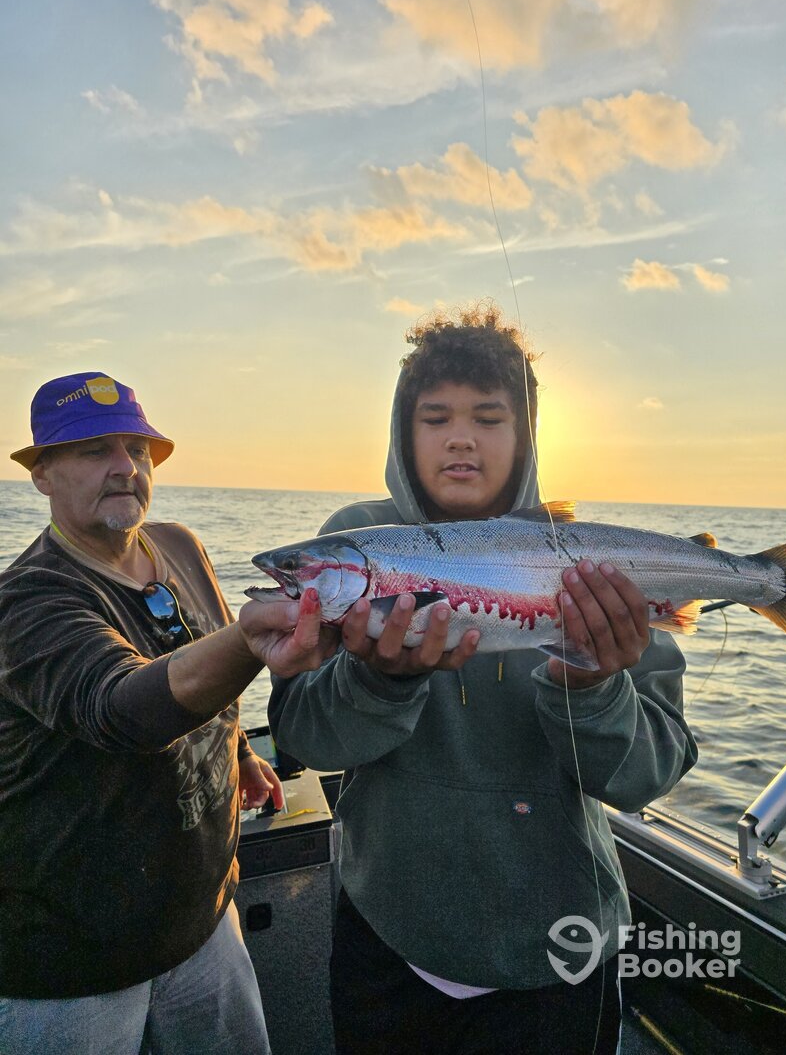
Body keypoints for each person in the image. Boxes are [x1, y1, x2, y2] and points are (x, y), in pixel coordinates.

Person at [268, 305, 698, 1054]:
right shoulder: (355, 539)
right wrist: (378, 683)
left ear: (526, 436)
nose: (460, 437)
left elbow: (643, 779)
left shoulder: (595, 567)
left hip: (560, 950)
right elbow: (305, 739)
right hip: (388, 934)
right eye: (435, 418)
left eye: (489, 418)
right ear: (403, 433)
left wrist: (593, 686)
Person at [0, 372, 335, 1055]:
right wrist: (249, 641)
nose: (125, 466)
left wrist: (240, 751)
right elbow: (122, 710)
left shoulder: (179, 545)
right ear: (42, 476)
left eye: (136, 449)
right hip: (73, 968)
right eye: (93, 450)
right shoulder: (27, 599)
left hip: (205, 921)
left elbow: (203, 666)